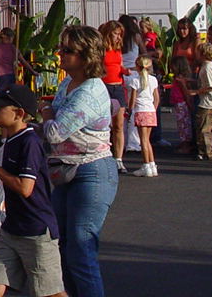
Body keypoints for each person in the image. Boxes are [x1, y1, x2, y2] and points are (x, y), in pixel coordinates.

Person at [41, 25, 117, 297]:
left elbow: (55, 131)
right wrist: (48, 114)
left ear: (87, 57)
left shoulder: (89, 92)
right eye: (62, 48)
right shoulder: (67, 83)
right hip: (65, 171)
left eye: (68, 50)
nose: (60, 54)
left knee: (81, 251)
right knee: (60, 246)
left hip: (91, 171)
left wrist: (47, 112)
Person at [0, 83, 67, 297]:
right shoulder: (11, 141)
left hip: (36, 231)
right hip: (12, 228)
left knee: (50, 292)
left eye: (0, 108)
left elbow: (25, 188)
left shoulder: (29, 142)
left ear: (19, 114)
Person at [98, 21, 126, 173]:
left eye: (119, 34)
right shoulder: (101, 50)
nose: (118, 37)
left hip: (118, 86)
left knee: (119, 125)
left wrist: (125, 70)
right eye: (115, 34)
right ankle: (104, 156)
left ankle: (119, 159)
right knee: (104, 124)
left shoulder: (118, 49)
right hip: (104, 87)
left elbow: (118, 65)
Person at [130, 54, 161, 177]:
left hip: (141, 110)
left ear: (138, 67)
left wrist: (129, 110)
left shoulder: (135, 81)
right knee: (147, 140)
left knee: (143, 141)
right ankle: (152, 165)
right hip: (150, 111)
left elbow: (132, 100)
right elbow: (157, 98)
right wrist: (153, 109)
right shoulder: (153, 80)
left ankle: (146, 165)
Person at [167, 55, 194, 155]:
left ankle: (186, 144)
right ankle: (184, 142)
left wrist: (189, 103)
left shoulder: (181, 79)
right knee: (181, 124)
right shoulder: (178, 78)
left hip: (182, 104)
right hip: (179, 104)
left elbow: (185, 92)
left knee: (184, 124)